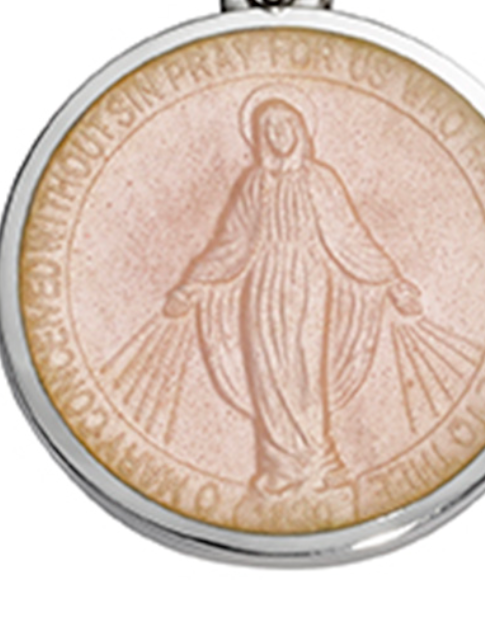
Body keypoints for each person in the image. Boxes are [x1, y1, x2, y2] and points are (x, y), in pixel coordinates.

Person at [163, 86, 422, 497]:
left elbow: (349, 236)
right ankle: (281, 467)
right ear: (260, 137)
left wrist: (391, 280)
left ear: (300, 129)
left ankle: (322, 461)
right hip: (262, 288)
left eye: (285, 125)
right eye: (269, 128)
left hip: (307, 284)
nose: (279, 134)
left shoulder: (320, 180)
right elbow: (232, 242)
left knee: (303, 372)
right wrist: (193, 284)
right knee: (267, 375)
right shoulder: (255, 183)